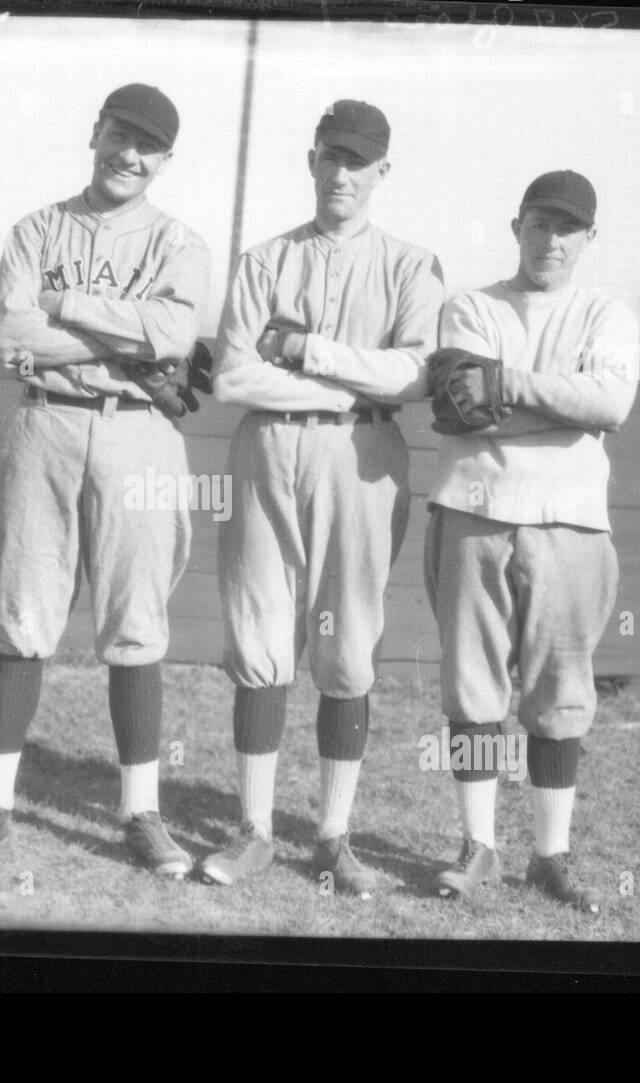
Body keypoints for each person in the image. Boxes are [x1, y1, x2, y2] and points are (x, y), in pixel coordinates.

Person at [0, 85, 212, 878]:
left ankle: (141, 811)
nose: (130, 154)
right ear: (95, 132)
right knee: (21, 612)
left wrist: (68, 303)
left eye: (148, 145)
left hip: (139, 436)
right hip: (45, 421)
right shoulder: (37, 227)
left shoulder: (177, 242)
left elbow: (173, 333)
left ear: (164, 159)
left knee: (135, 620)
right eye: (120, 134)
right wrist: (118, 345)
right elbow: (13, 335)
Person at [200, 100, 443, 895]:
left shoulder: (410, 264)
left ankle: (333, 834)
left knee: (347, 644)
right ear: (312, 161)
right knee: (260, 632)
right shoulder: (265, 259)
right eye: (331, 156)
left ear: (382, 172)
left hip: (362, 454)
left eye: (359, 161)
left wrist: (308, 350)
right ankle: (256, 829)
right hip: (270, 447)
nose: (343, 172)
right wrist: (349, 375)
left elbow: (413, 374)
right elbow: (234, 375)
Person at [424, 169, 639, 913]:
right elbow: (462, 407)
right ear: (516, 224)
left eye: (568, 227)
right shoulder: (471, 305)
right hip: (474, 510)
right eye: (540, 223)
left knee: (558, 693)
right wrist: (562, 404)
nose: (552, 239)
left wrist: (508, 385)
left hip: (571, 523)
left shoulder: (606, 311)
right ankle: (478, 842)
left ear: (588, 238)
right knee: (472, 685)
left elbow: (610, 402)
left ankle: (551, 855)